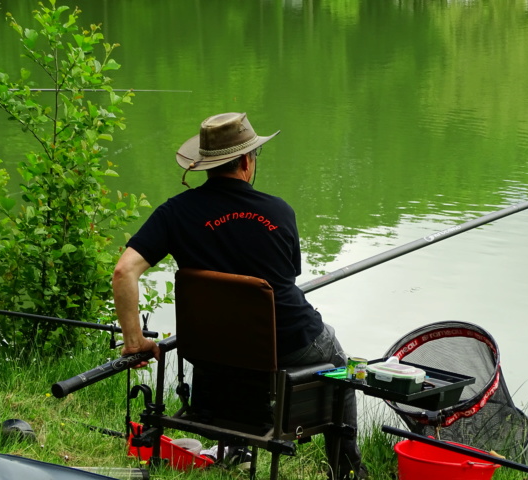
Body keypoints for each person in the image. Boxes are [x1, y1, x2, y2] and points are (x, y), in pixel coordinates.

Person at [112, 112, 365, 479]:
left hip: (213, 349)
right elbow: (287, 279)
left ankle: (236, 445)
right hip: (289, 343)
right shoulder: (279, 211)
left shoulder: (174, 213)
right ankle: (347, 471)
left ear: (205, 166)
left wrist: (134, 341)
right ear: (247, 161)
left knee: (238, 340)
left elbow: (124, 271)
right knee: (340, 364)